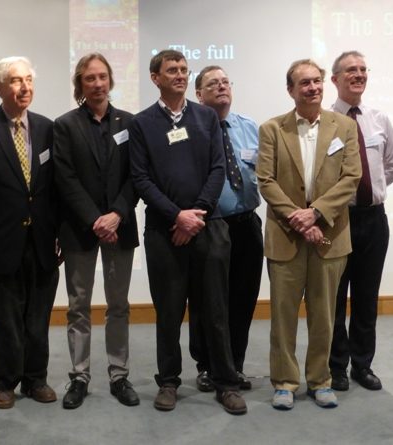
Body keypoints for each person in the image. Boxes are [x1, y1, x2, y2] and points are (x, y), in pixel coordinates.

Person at [129, 49, 246, 415]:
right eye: (171, 70)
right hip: (164, 233)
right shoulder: (141, 123)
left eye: (183, 69)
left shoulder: (205, 118)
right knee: (168, 310)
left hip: (208, 228)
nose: (179, 75)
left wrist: (196, 215)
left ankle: (226, 382)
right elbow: (140, 179)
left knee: (215, 309)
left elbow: (217, 169)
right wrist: (176, 217)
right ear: (155, 78)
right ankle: (168, 382)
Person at [256, 59, 361, 410]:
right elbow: (266, 181)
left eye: (317, 81)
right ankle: (285, 382)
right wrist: (298, 218)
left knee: (324, 315)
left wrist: (316, 213)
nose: (313, 88)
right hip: (285, 236)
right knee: (283, 316)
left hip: (330, 235)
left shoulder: (344, 126)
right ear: (291, 90)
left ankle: (320, 380)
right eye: (304, 83)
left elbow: (351, 178)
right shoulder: (272, 129)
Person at [0, 56, 60, 409]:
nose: (25, 87)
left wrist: (60, 231)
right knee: (4, 319)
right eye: (17, 80)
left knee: (38, 317)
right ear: (0, 87)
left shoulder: (48, 128)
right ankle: (5, 381)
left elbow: (57, 187)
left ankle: (37, 379)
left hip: (43, 242)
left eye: (29, 79)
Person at [53, 53, 140, 409]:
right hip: (80, 229)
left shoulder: (130, 123)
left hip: (121, 227)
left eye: (103, 77)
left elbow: (138, 174)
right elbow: (65, 178)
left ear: (111, 80)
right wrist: (96, 220)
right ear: (80, 84)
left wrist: (117, 214)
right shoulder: (65, 125)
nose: (98, 83)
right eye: (90, 78)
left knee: (118, 304)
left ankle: (119, 375)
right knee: (78, 305)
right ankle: (80, 376)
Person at [328, 51, 393, 392]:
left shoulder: (378, 118)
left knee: (367, 296)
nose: (358, 75)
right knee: (335, 297)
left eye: (362, 70)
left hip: (374, 220)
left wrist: (372, 191)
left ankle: (362, 364)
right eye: (350, 71)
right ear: (335, 80)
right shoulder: (325, 122)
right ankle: (337, 366)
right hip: (338, 221)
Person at [189, 65, 263, 393]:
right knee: (208, 300)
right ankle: (206, 366)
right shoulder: (191, 131)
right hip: (210, 226)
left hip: (247, 224)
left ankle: (235, 364)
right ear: (198, 94)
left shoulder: (249, 128)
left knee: (243, 298)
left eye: (225, 82)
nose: (221, 87)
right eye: (212, 84)